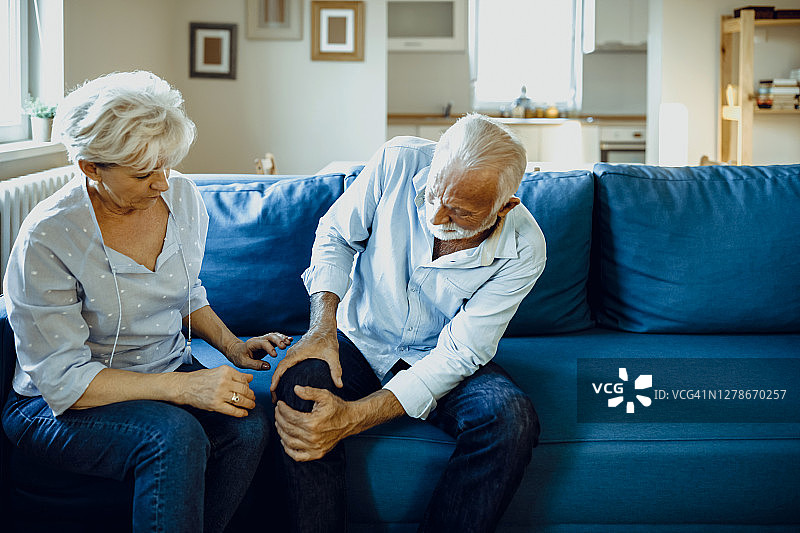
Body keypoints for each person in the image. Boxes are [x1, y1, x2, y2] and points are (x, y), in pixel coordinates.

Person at [1, 71, 292, 533]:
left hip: (162, 371)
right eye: (143, 173)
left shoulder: (182, 198)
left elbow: (184, 291)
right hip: (59, 403)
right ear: (91, 168)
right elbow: (63, 380)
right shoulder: (49, 236)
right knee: (174, 436)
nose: (161, 183)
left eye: (166, 165)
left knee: (248, 425)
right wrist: (185, 388)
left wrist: (232, 345)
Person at [271, 114, 546, 532]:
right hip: (358, 337)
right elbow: (336, 236)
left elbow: (462, 353)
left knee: (511, 418)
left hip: (437, 352)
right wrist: (322, 327)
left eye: (461, 212)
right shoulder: (397, 161)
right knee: (300, 385)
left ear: (505, 207)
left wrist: (352, 417)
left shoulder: (526, 248)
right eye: (434, 194)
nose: (436, 216)